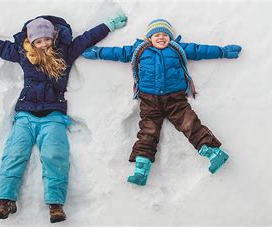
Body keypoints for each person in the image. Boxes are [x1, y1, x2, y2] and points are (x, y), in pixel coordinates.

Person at [0, 14, 127, 223]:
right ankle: (5, 201)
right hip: (25, 114)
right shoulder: (23, 52)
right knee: (14, 154)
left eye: (47, 39)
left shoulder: (65, 52)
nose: (43, 45)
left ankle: (55, 204)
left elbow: (88, 38)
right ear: (31, 41)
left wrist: (109, 24)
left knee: (55, 155)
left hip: (54, 115)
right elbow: (0, 48)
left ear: (54, 36)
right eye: (38, 41)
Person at [82, 19, 241, 186]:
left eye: (165, 35)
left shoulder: (178, 48)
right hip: (149, 100)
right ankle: (141, 170)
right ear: (149, 38)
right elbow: (119, 53)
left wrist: (222, 51)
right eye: (157, 35)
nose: (161, 37)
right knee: (148, 131)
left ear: (170, 38)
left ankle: (214, 153)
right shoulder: (139, 49)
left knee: (190, 123)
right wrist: (99, 52)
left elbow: (199, 50)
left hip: (175, 99)